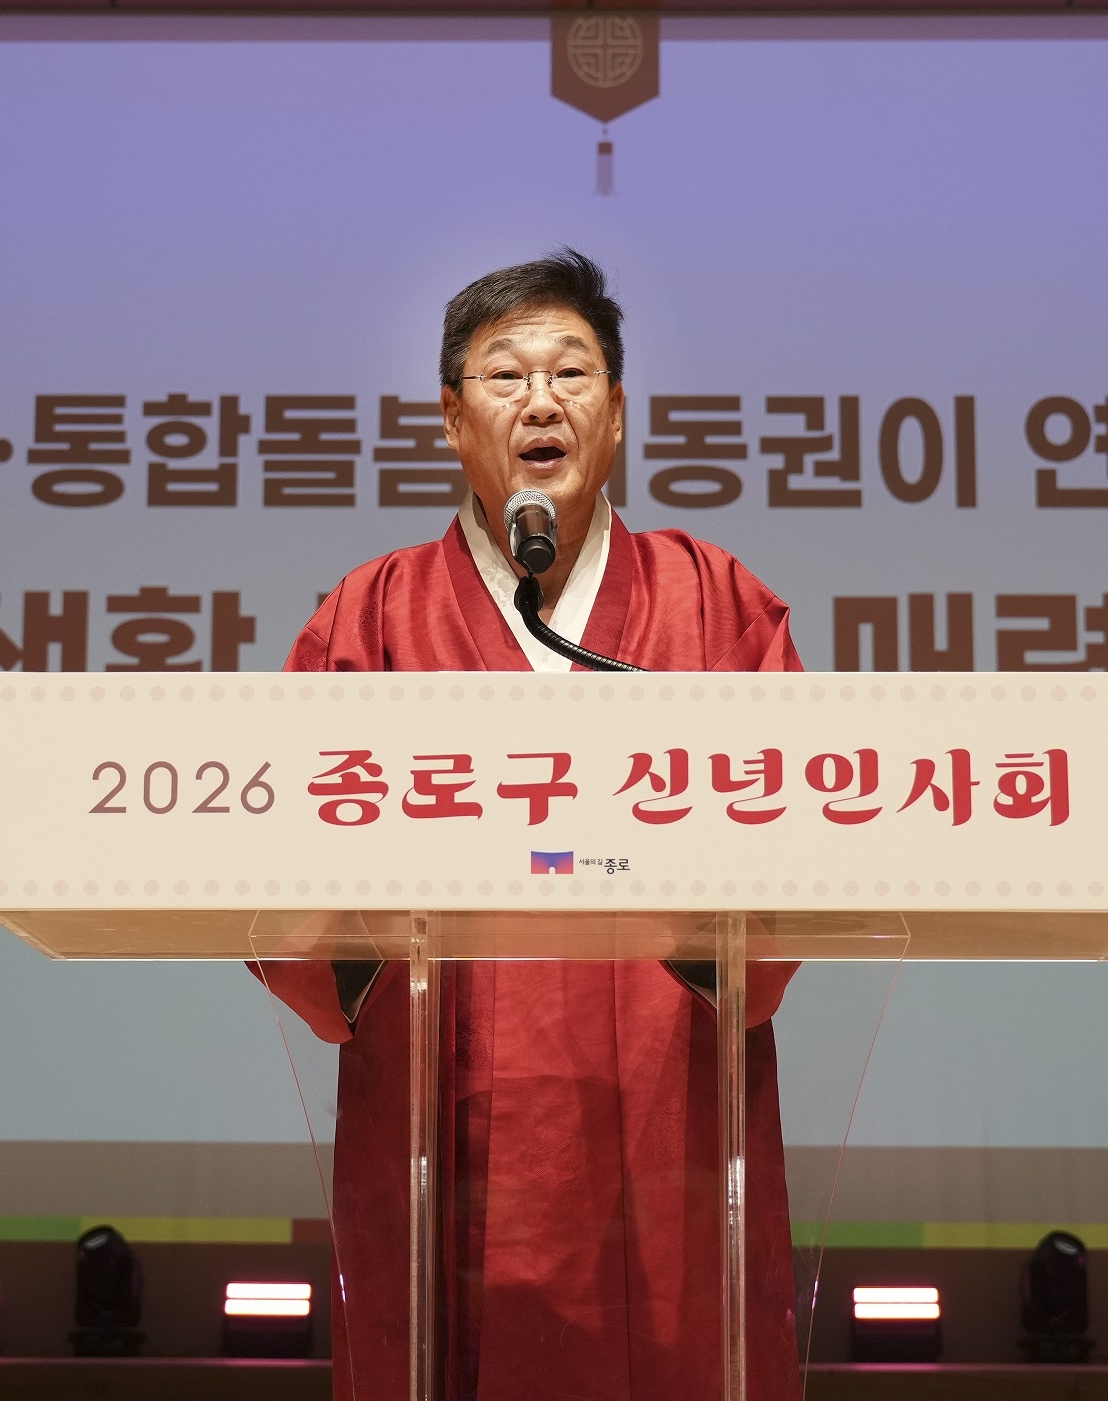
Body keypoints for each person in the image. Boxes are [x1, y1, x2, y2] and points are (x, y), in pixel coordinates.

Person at [258, 250, 803, 1401]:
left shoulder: (717, 603)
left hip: (665, 1101)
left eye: (573, 373)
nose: (542, 400)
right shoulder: (369, 616)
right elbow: (286, 875)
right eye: (505, 375)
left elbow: (796, 857)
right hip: (436, 1109)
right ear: (451, 419)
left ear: (618, 413)